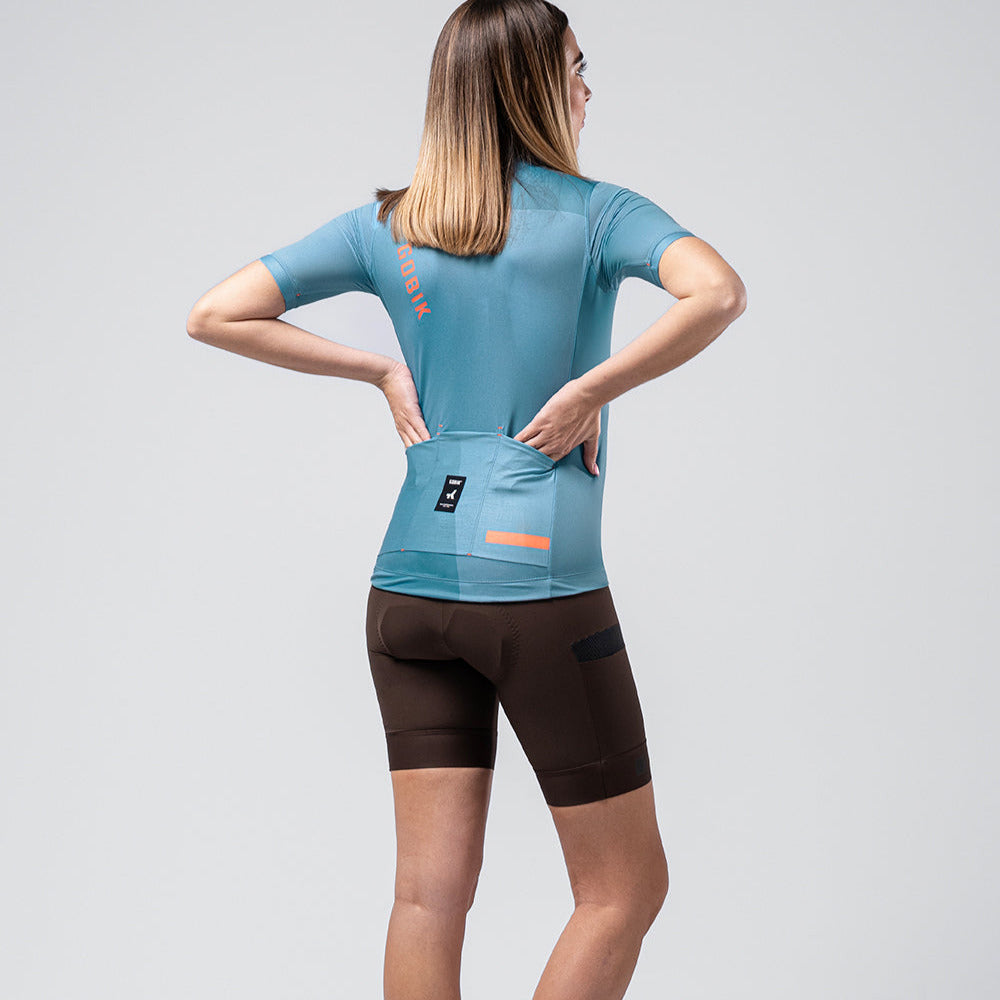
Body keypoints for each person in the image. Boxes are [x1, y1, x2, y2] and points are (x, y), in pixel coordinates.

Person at [187, 0, 746, 996]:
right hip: (536, 587)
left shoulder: (386, 224)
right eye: (575, 68)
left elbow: (215, 313)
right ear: (532, 86)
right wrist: (591, 390)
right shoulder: (600, 214)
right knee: (623, 888)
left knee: (426, 897)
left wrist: (377, 369)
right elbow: (719, 291)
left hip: (406, 588)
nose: (587, 89)